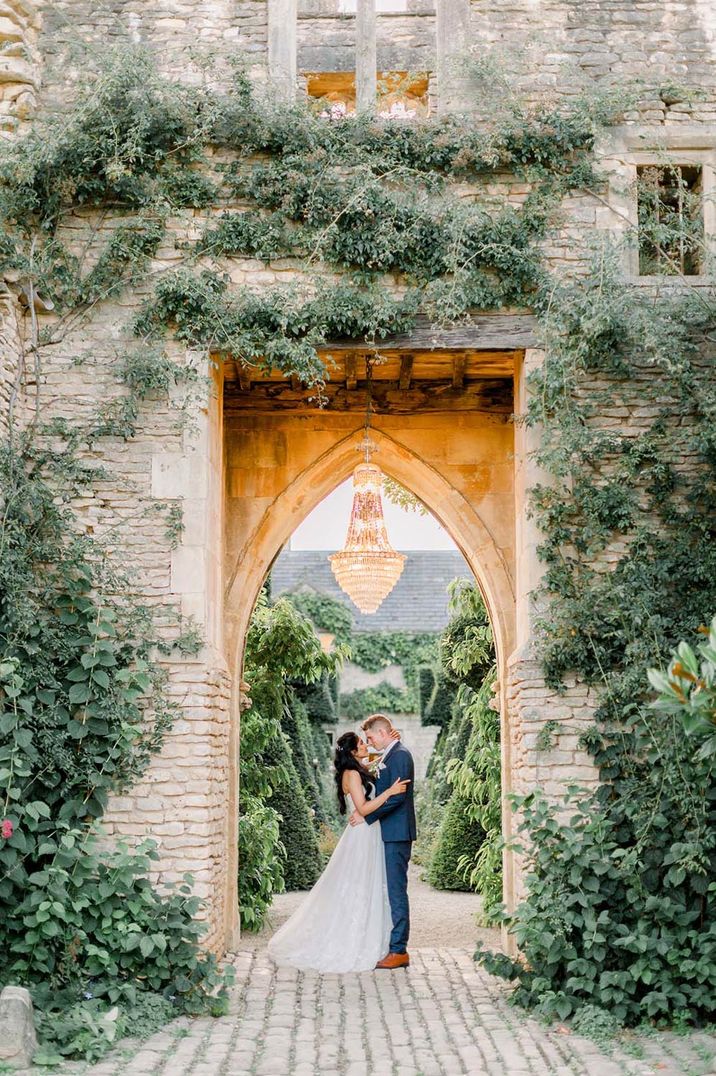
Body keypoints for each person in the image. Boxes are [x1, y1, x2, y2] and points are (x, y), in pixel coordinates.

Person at [266, 727, 410, 973]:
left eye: (368, 741)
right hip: (363, 834)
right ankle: (354, 940)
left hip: (370, 833)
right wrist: (389, 792)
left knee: (369, 886)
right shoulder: (352, 774)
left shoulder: (358, 769)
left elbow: (381, 760)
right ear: (353, 752)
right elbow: (363, 809)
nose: (367, 746)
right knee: (358, 887)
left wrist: (393, 741)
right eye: (362, 745)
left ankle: (375, 939)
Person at [350, 713, 416, 969]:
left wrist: (366, 815)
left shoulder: (400, 755)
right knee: (391, 890)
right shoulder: (390, 753)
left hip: (398, 833)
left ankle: (399, 950)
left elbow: (397, 798)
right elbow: (376, 773)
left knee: (397, 891)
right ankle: (394, 946)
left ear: (381, 733)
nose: (369, 742)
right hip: (390, 832)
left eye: (370, 737)